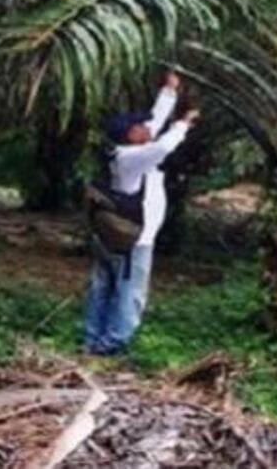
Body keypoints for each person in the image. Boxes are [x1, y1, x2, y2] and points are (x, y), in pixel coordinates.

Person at [83, 71, 199, 356]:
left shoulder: (126, 152)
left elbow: (155, 124)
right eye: (140, 126)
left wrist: (169, 92)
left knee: (103, 285)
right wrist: (184, 124)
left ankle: (94, 338)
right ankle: (114, 344)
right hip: (134, 238)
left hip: (112, 232)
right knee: (130, 291)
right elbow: (163, 144)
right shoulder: (134, 158)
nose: (147, 127)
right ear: (131, 135)